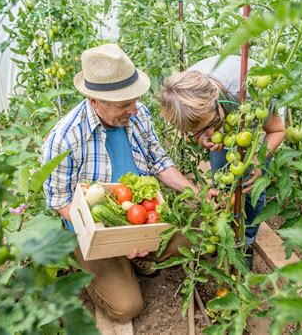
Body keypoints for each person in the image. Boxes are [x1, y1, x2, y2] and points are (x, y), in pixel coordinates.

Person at [42, 43, 210, 323]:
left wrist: (197, 191)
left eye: (133, 100)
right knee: (126, 308)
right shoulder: (65, 138)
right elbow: (61, 201)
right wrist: (109, 240)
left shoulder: (138, 114)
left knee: (195, 236)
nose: (133, 109)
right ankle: (100, 270)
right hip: (96, 230)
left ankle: (136, 258)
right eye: (123, 104)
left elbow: (159, 163)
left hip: (141, 215)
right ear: (94, 100)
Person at [160, 55, 286, 267]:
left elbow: (277, 130)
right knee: (223, 185)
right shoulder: (184, 98)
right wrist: (202, 136)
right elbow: (196, 128)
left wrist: (257, 161)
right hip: (227, 117)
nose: (210, 133)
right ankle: (227, 233)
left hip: (256, 121)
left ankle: (246, 241)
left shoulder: (251, 92)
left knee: (252, 188)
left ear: (216, 98)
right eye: (199, 130)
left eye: (212, 124)